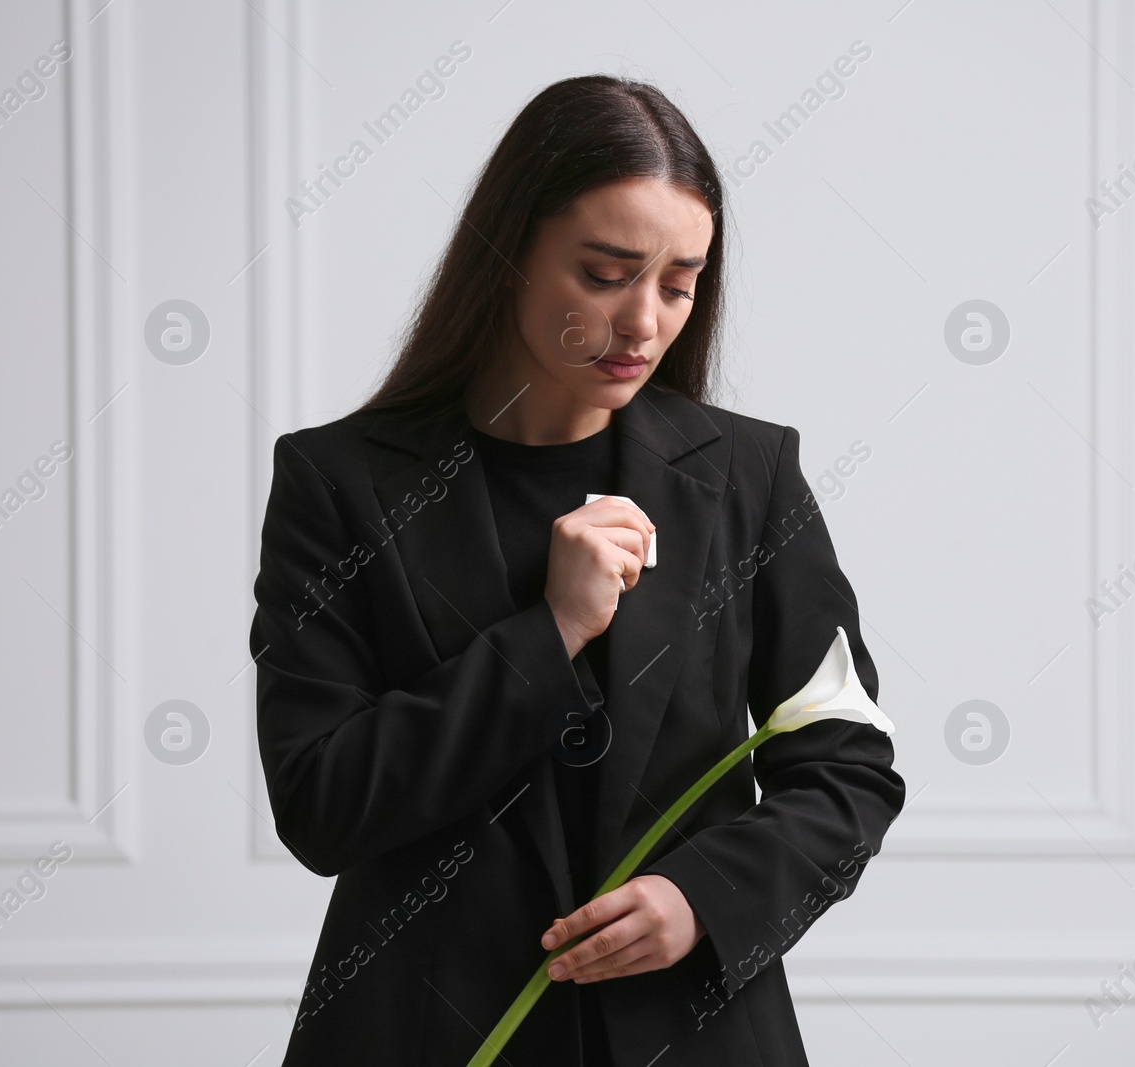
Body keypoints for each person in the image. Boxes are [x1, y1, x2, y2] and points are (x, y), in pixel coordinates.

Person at [249, 74, 904, 1065]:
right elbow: (321, 802)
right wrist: (548, 631)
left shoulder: (749, 477)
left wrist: (706, 896)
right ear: (507, 256)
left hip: (693, 1029)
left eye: (679, 283)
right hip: (421, 1026)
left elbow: (846, 756)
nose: (644, 320)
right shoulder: (338, 482)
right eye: (605, 273)